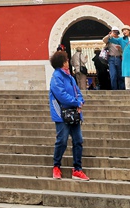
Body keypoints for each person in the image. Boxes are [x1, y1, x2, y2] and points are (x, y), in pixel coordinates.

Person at [48, 50, 89, 181]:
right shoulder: (56, 77)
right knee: (62, 140)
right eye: (66, 61)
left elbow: (78, 92)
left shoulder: (70, 77)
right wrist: (76, 102)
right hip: (62, 114)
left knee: (78, 141)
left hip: (74, 113)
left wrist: (80, 101)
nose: (68, 63)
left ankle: (77, 169)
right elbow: (61, 95)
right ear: (62, 63)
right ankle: (56, 166)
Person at [120, 25, 130, 91]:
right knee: (127, 72)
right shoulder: (122, 39)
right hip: (127, 57)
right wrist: (110, 35)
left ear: (129, 31)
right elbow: (110, 40)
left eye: (125, 30)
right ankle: (128, 87)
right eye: (123, 30)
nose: (124, 31)